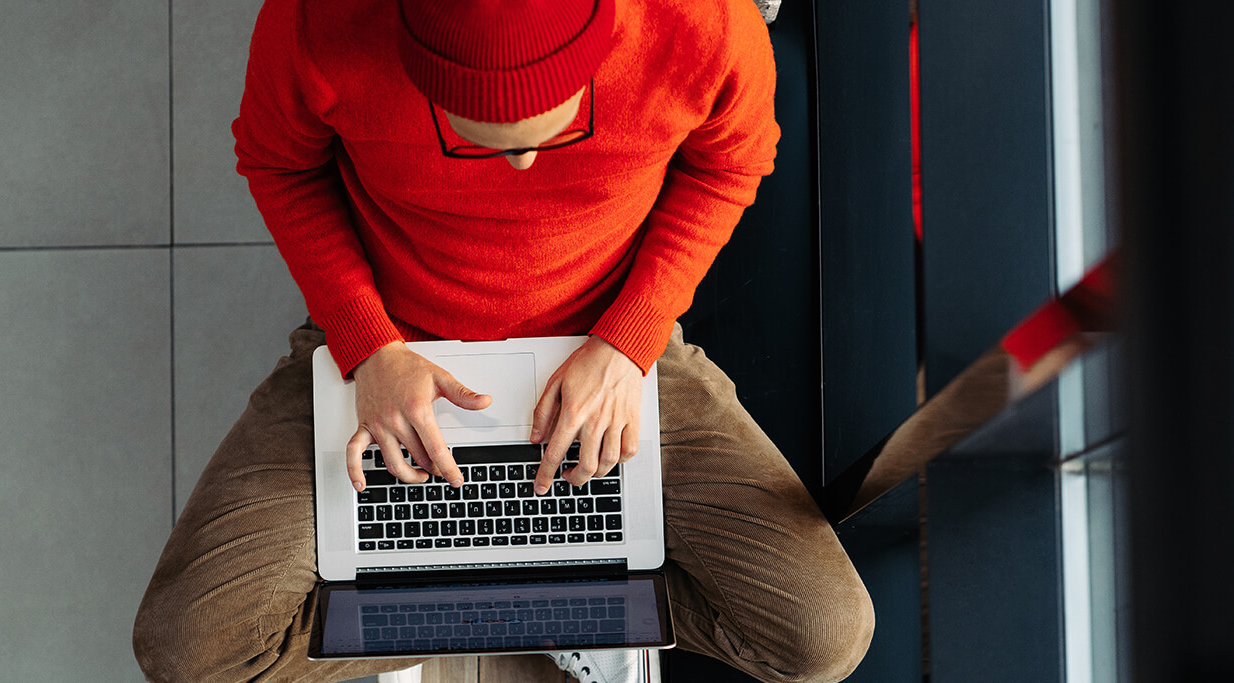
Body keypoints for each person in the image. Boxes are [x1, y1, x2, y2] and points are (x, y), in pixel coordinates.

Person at [133, 0, 875, 681]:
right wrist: (369, 345)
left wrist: (630, 340)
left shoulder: (700, 24)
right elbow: (280, 165)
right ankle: (535, 598)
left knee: (824, 635)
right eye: (481, 137)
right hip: (395, 341)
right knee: (186, 649)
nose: (522, 166)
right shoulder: (315, 23)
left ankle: (460, 597)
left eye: (543, 135)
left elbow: (732, 163)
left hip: (608, 336)